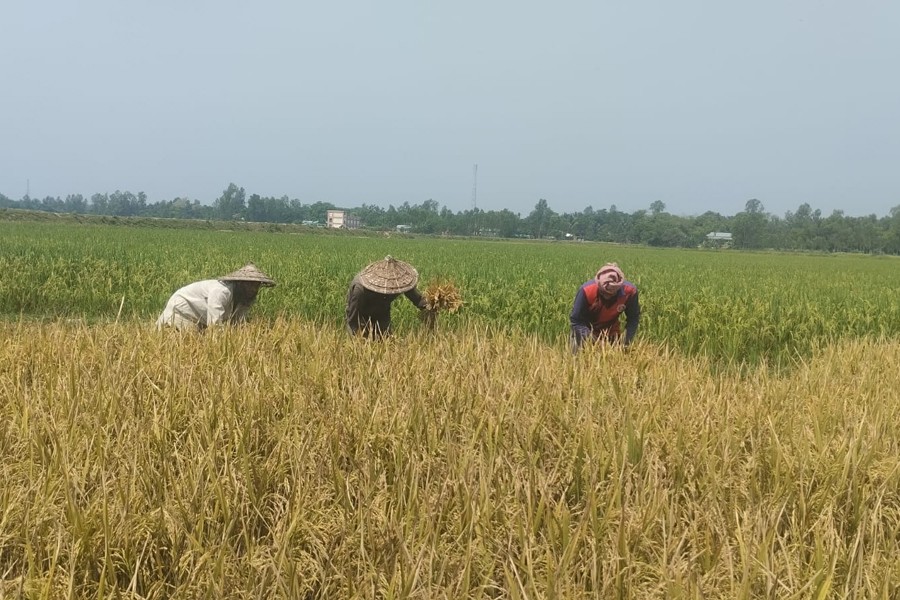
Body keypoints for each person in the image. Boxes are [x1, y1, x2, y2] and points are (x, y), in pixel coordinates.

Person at [156, 263, 276, 331]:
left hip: (200, 318)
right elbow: (215, 325)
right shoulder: (221, 292)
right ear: (240, 283)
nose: (253, 289)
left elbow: (237, 324)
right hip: (183, 311)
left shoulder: (245, 299)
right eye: (249, 285)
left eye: (256, 286)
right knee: (185, 345)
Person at [346, 255, 427, 338]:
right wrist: (357, 336)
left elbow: (416, 297)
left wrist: (429, 304)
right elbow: (354, 317)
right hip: (362, 312)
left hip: (382, 310)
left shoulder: (400, 282)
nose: (392, 288)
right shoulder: (360, 289)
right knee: (362, 340)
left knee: (385, 338)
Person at [570, 262, 640, 352]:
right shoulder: (586, 290)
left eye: (611, 294)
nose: (607, 296)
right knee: (578, 360)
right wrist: (593, 341)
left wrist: (625, 340)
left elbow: (633, 319)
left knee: (614, 361)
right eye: (604, 293)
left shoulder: (630, 292)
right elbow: (576, 321)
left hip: (611, 331)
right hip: (585, 331)